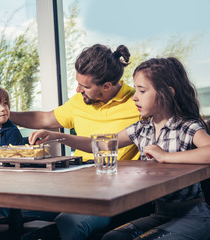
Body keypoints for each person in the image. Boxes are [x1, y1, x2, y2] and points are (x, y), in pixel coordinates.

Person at [29, 57, 210, 240]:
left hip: (194, 215)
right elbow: (102, 144)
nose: (135, 97)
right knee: (112, 238)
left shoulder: (186, 126)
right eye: (135, 90)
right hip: (160, 213)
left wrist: (165, 157)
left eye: (142, 91)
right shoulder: (142, 127)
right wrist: (58, 137)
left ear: (168, 93)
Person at [10, 44, 141, 240]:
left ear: (106, 86)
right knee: (16, 214)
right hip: (76, 187)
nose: (78, 89)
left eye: (85, 86)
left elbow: (99, 143)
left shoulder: (137, 103)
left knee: (69, 222)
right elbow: (45, 119)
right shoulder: (80, 100)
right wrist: (3, 115)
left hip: (115, 194)